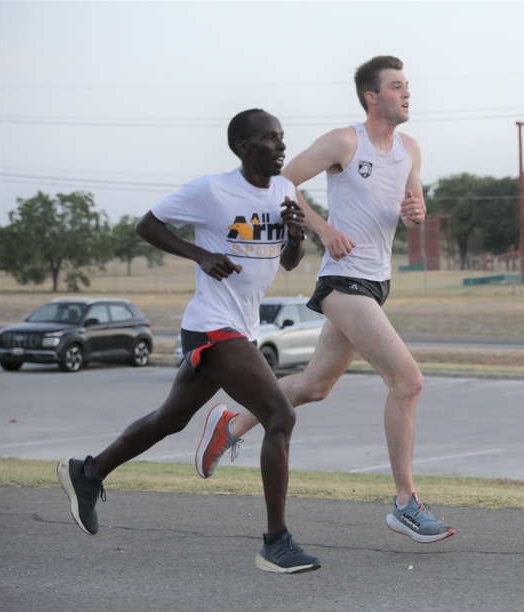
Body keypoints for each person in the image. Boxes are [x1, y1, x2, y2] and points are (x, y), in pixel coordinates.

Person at [195, 56, 454, 544]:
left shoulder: (410, 150)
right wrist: (323, 228)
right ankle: (405, 504)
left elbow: (413, 210)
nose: (407, 94)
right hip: (343, 282)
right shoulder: (344, 142)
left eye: (408, 86)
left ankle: (232, 423)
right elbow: (281, 184)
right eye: (396, 87)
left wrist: (417, 212)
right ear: (371, 97)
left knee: (315, 386)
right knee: (408, 381)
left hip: (377, 282)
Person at [57, 109, 321, 574]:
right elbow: (148, 224)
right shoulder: (212, 190)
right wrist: (201, 254)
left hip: (241, 327)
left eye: (283, 137)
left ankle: (89, 471)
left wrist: (297, 234)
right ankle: (276, 542)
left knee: (170, 420)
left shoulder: (284, 190)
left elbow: (291, 263)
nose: (282, 146)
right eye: (270, 139)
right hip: (212, 325)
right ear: (244, 147)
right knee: (279, 415)